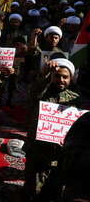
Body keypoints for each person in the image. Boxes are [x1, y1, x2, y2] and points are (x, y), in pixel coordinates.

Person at [23, 59, 80, 201]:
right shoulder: (41, 93)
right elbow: (33, 92)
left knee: (55, 189)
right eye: (57, 76)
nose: (61, 80)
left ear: (70, 78)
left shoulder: (74, 99)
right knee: (33, 189)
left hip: (59, 153)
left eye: (65, 77)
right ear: (52, 77)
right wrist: (44, 75)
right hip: (38, 149)